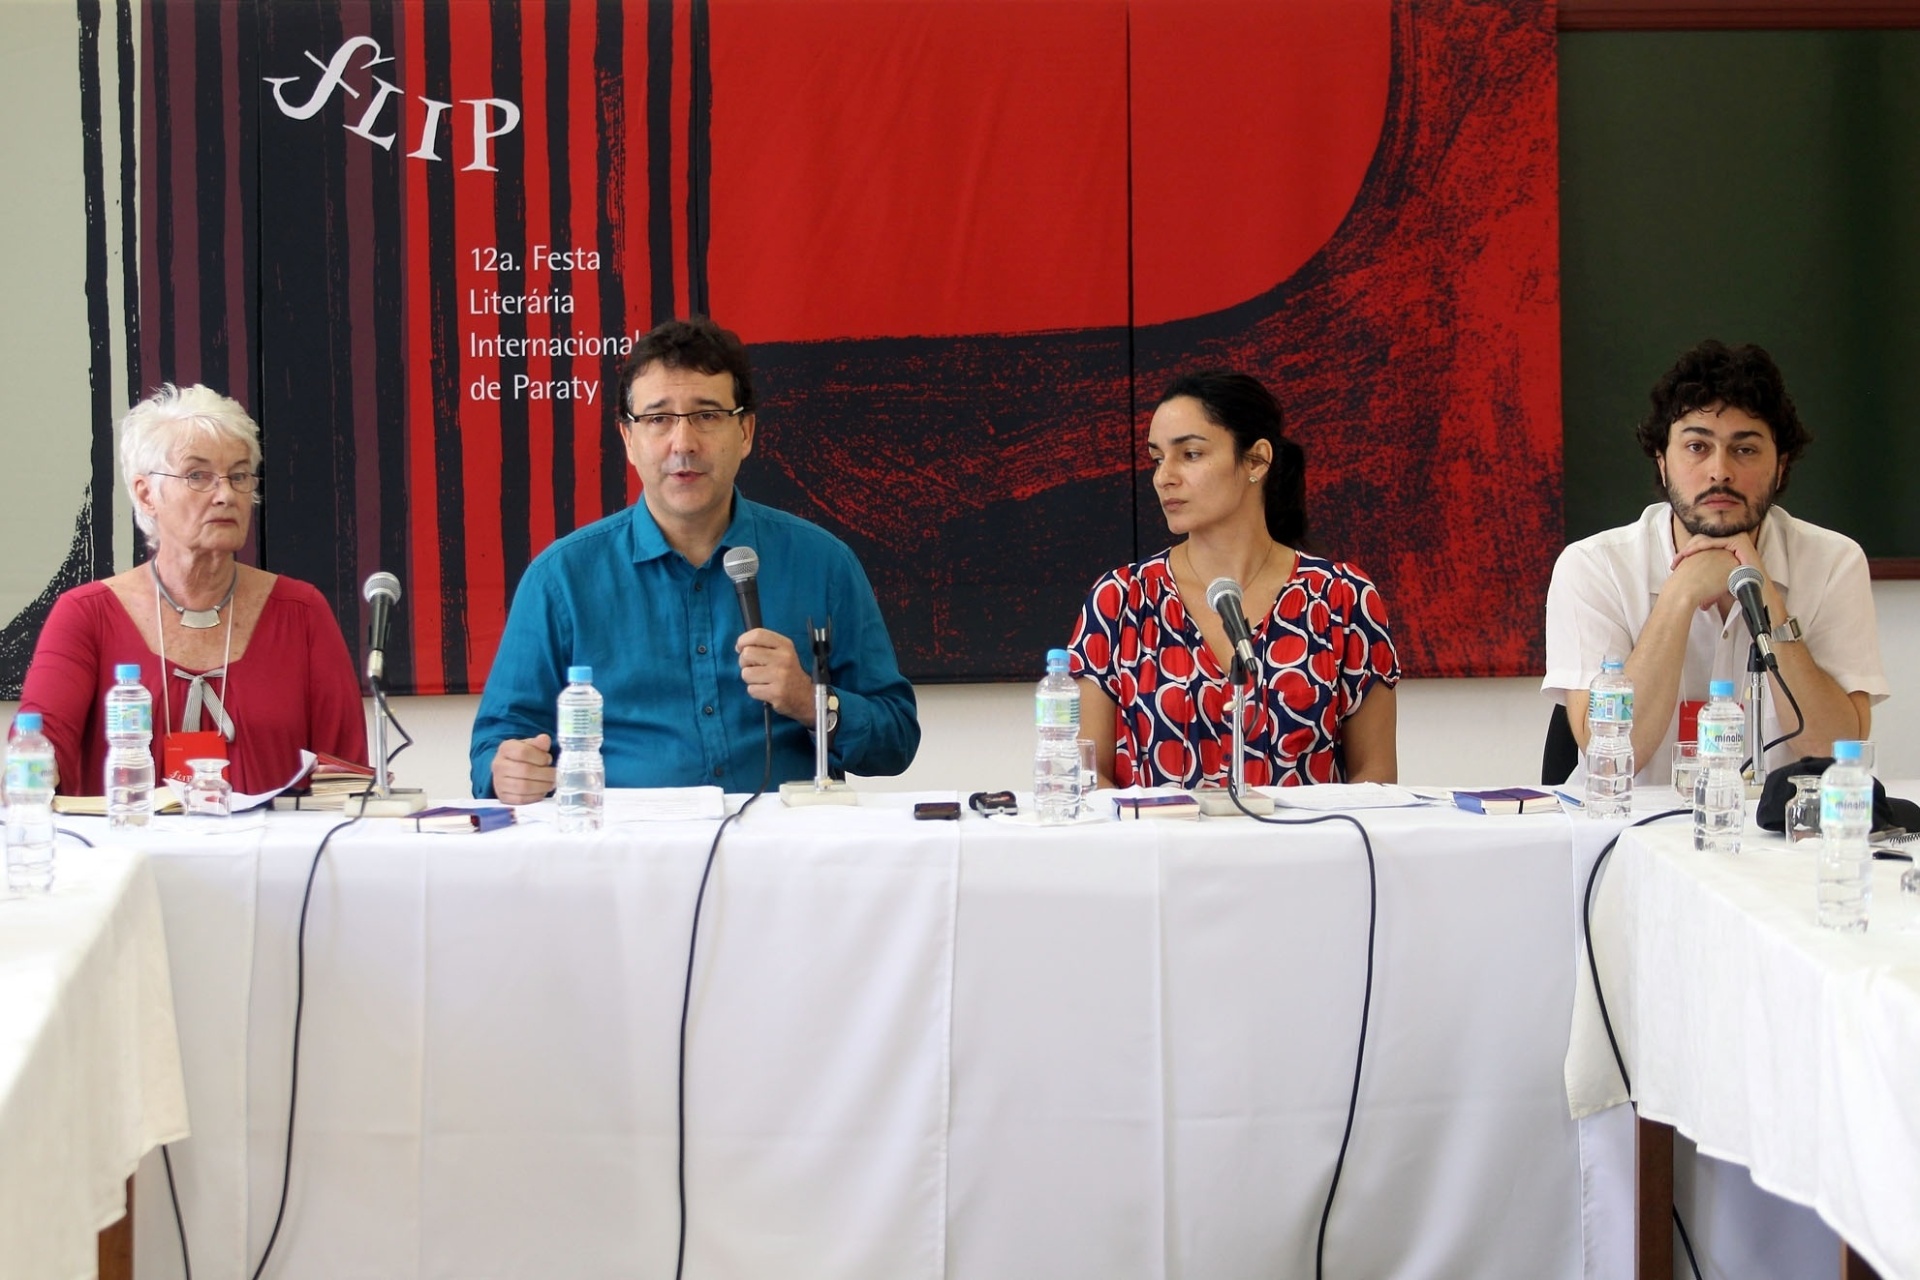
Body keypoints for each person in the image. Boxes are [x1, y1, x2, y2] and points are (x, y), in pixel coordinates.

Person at [470, 317, 919, 799]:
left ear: (745, 432)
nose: (682, 443)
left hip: (784, 855)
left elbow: (896, 742)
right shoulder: (560, 579)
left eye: (706, 415)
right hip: (621, 858)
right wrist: (507, 769)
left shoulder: (824, 564)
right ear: (628, 439)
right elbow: (495, 746)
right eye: (659, 418)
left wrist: (811, 702)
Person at [1543, 340, 1887, 783]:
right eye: (1696, 447)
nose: (1720, 471)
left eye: (1745, 450)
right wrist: (1680, 594)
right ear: (1662, 463)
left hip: (1782, 840)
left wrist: (1766, 597)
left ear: (1781, 467)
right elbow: (1611, 754)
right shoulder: (1593, 567)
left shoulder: (1834, 562)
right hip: (1629, 838)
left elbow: (1838, 752)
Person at [18, 384, 367, 795]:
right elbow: (34, 756)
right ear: (147, 494)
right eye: (198, 475)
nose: (225, 495)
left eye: (238, 475)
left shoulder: (302, 611)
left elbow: (347, 777)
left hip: (276, 858)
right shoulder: (86, 614)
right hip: (137, 853)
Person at [1068, 370, 1399, 788]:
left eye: (1189, 455)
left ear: (1257, 460)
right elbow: (1084, 771)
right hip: (1161, 851)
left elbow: (1376, 776)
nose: (1163, 476)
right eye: (1157, 458)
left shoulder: (1342, 598)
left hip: (1304, 850)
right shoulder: (1120, 600)